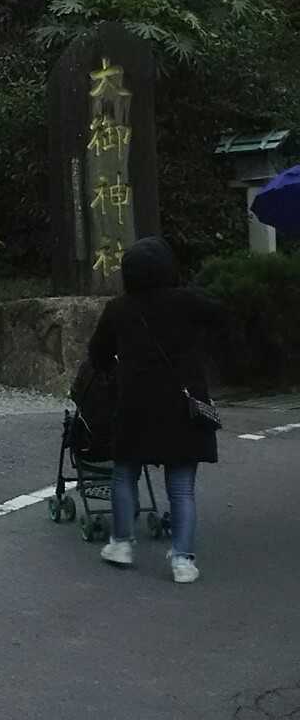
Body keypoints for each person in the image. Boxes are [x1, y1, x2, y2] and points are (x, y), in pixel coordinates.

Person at [85, 236, 224, 584]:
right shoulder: (187, 301)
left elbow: (98, 355)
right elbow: (220, 315)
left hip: (135, 404)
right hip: (183, 404)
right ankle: (182, 561)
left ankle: (121, 543)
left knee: (124, 473)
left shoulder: (118, 308)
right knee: (181, 487)